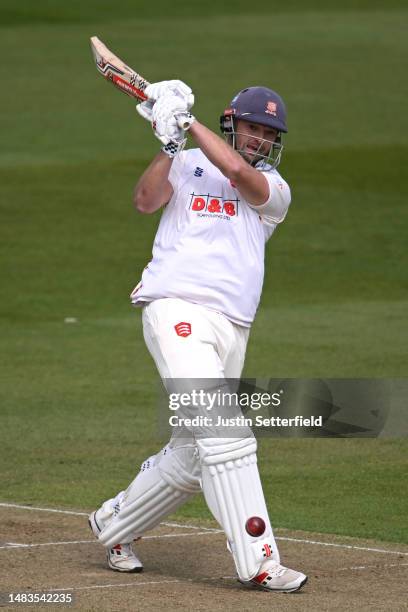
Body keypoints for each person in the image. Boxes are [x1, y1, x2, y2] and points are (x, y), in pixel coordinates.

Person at [89, 82, 307, 593]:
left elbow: (235, 172)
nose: (258, 140)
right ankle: (261, 561)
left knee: (191, 451)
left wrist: (184, 122)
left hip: (232, 324)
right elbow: (146, 202)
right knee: (224, 432)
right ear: (233, 124)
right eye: (252, 127)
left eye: (268, 133)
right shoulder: (186, 162)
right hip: (175, 309)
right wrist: (169, 143)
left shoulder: (274, 191)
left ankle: (115, 523)